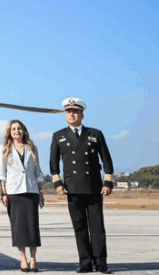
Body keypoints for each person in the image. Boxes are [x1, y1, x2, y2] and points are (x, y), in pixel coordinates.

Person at [50, 98, 114, 274]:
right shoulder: (58, 136)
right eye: (69, 111)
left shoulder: (95, 133)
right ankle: (85, 263)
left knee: (97, 227)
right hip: (72, 188)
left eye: (76, 111)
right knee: (79, 227)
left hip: (93, 186)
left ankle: (101, 263)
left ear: (82, 115)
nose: (72, 114)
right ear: (65, 115)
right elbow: (54, 164)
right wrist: (58, 184)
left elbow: (106, 159)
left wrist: (108, 182)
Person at [0, 120, 45, 272]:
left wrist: (41, 192)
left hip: (31, 191)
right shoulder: (4, 149)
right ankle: (23, 258)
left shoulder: (32, 148)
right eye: (13, 129)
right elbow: (2, 173)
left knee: (32, 226)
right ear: (9, 132)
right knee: (18, 227)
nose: (17, 131)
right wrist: (4, 192)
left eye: (19, 128)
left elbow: (37, 171)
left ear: (24, 131)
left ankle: (33, 258)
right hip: (14, 192)